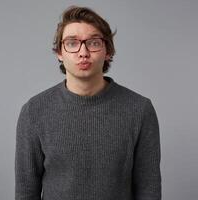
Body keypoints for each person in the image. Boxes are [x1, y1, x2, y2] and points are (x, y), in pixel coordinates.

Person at [15, 6, 161, 200]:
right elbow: (26, 192)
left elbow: (149, 189)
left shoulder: (139, 110)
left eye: (93, 43)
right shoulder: (34, 111)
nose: (83, 52)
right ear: (60, 52)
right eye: (72, 43)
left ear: (107, 51)